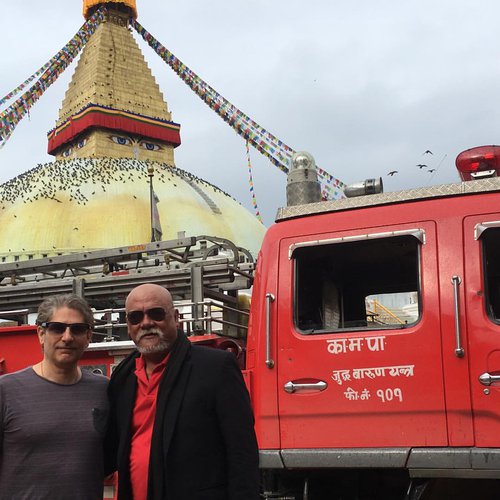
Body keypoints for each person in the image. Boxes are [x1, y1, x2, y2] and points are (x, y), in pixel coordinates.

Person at [105, 283, 259, 500]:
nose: (146, 322)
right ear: (129, 326)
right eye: (136, 317)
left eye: (156, 313)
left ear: (176, 318)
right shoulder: (123, 376)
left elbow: (242, 453)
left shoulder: (215, 367)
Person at [0, 294, 108, 500]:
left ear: (88, 337)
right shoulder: (5, 391)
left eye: (77, 329)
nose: (67, 337)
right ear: (41, 333)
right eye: (57, 328)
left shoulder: (103, 391)